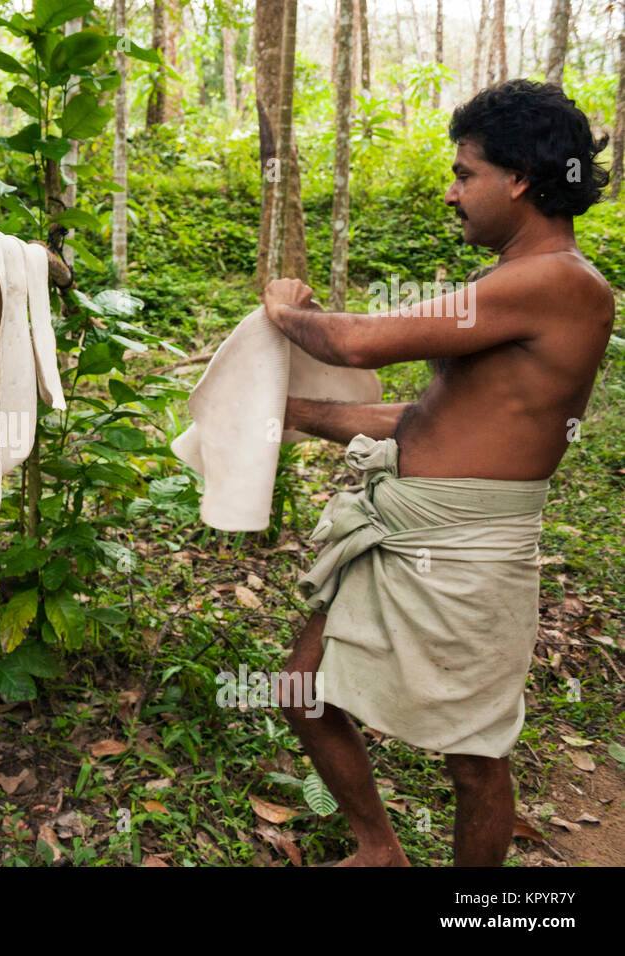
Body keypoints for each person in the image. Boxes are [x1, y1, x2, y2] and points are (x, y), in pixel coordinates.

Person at [261, 79, 614, 866]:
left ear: (519, 178)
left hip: (467, 555)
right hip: (407, 535)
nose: (452, 194)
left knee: (472, 755)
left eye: (465, 174)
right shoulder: (511, 283)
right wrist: (296, 414)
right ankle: (378, 847)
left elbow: (357, 343)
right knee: (299, 687)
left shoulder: (561, 282)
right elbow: (429, 423)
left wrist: (286, 311)